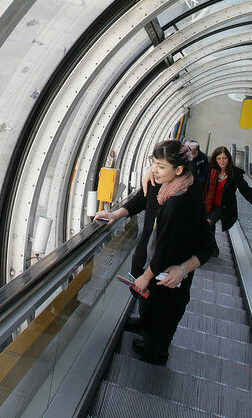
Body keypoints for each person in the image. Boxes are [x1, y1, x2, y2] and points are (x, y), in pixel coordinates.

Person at [95, 139, 216, 365]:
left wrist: (149, 276)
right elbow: (142, 198)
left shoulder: (179, 203)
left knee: (161, 320)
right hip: (150, 263)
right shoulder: (166, 183)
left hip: (166, 275)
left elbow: (165, 251)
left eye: (161, 166)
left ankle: (155, 355)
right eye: (154, 163)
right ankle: (145, 323)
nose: (154, 170)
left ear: (178, 169)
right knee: (149, 308)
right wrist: (116, 213)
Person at [205, 146, 252, 232]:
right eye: (219, 158)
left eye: (224, 158)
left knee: (207, 224)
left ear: (228, 158)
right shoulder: (210, 170)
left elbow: (244, 188)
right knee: (208, 231)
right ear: (215, 159)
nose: (222, 161)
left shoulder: (234, 173)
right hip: (207, 204)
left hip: (221, 206)